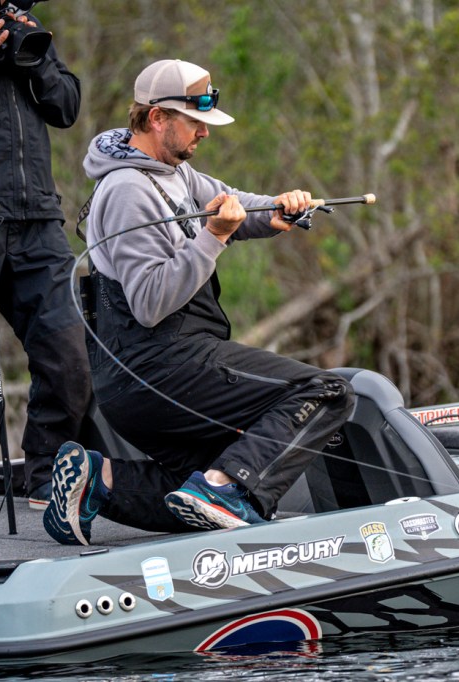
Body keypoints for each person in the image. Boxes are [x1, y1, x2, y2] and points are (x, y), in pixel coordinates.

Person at [42, 59, 355, 545]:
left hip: (150, 373)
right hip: (158, 368)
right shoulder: (126, 191)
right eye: (195, 122)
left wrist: (282, 208)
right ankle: (227, 492)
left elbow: (233, 204)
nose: (204, 133)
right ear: (156, 118)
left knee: (196, 489)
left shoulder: (175, 173)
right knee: (326, 391)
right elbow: (149, 303)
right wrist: (214, 236)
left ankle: (98, 481)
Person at [0, 1, 90, 509]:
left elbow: (66, 107)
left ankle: (46, 478)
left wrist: (35, 54)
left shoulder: (22, 23)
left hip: (38, 217)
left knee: (71, 353)